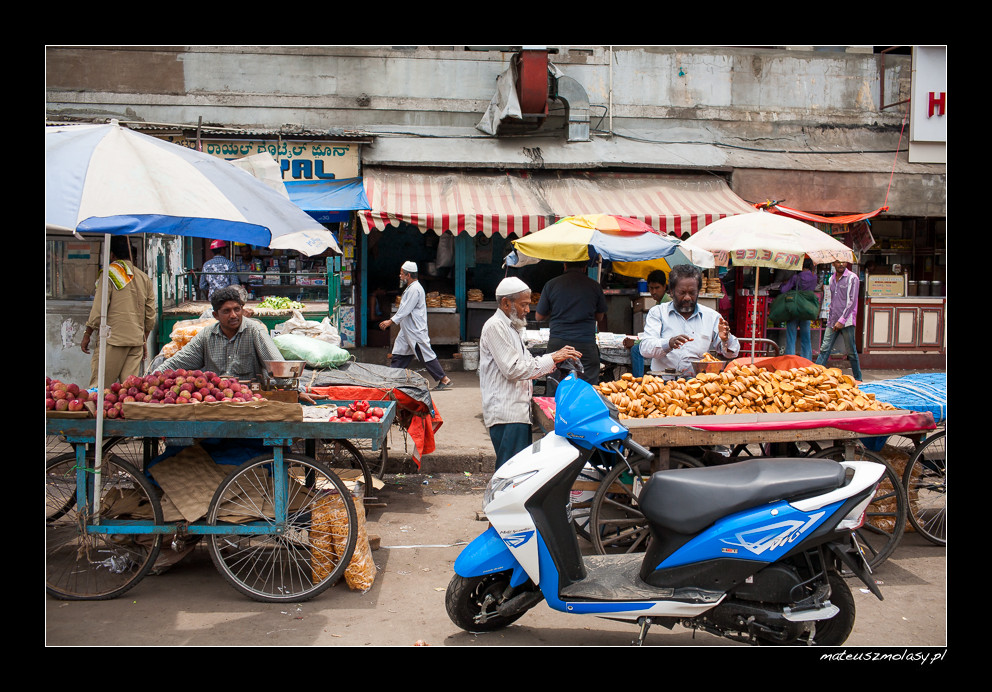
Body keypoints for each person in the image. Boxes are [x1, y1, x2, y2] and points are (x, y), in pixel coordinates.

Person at [479, 277, 582, 469]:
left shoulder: (512, 328)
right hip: (507, 413)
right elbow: (514, 369)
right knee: (510, 472)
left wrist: (554, 358)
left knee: (517, 470)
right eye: (524, 304)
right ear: (506, 302)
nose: (528, 310)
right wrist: (552, 358)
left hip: (517, 411)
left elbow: (526, 363)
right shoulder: (495, 327)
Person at [159, 285, 283, 379]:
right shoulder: (206, 335)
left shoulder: (255, 331)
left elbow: (279, 367)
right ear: (215, 315)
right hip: (216, 399)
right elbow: (179, 361)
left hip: (249, 398)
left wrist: (296, 391)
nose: (233, 315)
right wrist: (150, 377)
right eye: (226, 311)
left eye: (237, 309)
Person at [638, 264, 740, 379]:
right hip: (663, 386)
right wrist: (669, 343)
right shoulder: (658, 313)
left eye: (692, 293)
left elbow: (732, 352)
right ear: (671, 292)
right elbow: (645, 349)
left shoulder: (712, 317)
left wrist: (726, 339)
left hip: (697, 385)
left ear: (698, 292)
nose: (687, 297)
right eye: (682, 293)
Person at [81, 236, 156, 388]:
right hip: (135, 341)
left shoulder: (109, 274)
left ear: (112, 255)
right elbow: (150, 317)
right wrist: (143, 340)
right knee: (129, 392)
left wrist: (87, 333)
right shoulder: (144, 278)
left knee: (99, 389)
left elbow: (98, 310)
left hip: (112, 340)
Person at [379, 261, 452, 390]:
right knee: (399, 352)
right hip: (407, 328)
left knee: (424, 354)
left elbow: (406, 309)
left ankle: (444, 379)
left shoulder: (415, 289)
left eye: (402, 273)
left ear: (408, 275)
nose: (400, 276)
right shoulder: (411, 288)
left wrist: (390, 321)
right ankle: (392, 379)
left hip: (415, 329)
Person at [535, 261, 607, 388]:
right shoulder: (595, 286)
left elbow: (539, 316)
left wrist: (556, 308)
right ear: (585, 268)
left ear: (565, 266)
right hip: (585, 345)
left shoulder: (551, 285)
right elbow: (600, 316)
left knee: (556, 387)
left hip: (558, 344)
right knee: (586, 390)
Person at [815, 259, 863, 381]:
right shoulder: (831, 279)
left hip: (846, 320)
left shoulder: (853, 278)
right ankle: (815, 376)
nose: (841, 264)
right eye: (838, 262)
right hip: (833, 319)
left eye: (843, 262)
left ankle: (858, 379)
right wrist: (831, 319)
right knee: (824, 349)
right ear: (833, 264)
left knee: (851, 351)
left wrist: (841, 320)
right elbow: (832, 301)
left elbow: (852, 302)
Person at [623, 269, 669, 377]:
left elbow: (659, 336)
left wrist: (635, 343)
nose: (653, 292)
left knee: (636, 350)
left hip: (664, 343)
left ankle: (638, 381)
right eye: (651, 288)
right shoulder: (658, 304)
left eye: (657, 288)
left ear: (664, 287)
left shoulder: (667, 305)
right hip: (659, 342)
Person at [779, 258, 819, 361]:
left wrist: (783, 283)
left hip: (795, 309)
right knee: (806, 338)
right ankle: (807, 361)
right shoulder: (814, 277)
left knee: (791, 337)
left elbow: (784, 290)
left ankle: (790, 360)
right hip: (807, 309)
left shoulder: (797, 277)